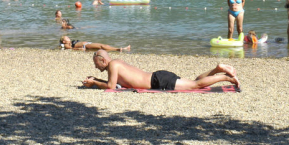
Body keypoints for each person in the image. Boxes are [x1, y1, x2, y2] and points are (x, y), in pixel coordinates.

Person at [82, 50, 239, 90]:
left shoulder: (112, 65)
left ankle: (227, 78)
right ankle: (217, 69)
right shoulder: (117, 62)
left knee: (195, 85)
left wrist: (95, 82)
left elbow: (111, 87)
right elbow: (115, 84)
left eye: (96, 63)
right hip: (158, 77)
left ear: (103, 59)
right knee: (195, 81)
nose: (96, 66)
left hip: (158, 81)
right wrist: (96, 80)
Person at [60, 36, 130, 52]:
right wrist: (79, 49)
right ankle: (118, 49)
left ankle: (117, 49)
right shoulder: (66, 45)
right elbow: (71, 49)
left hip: (88, 44)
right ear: (64, 41)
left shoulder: (69, 43)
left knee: (102, 47)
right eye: (66, 37)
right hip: (86, 45)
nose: (68, 37)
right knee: (102, 46)